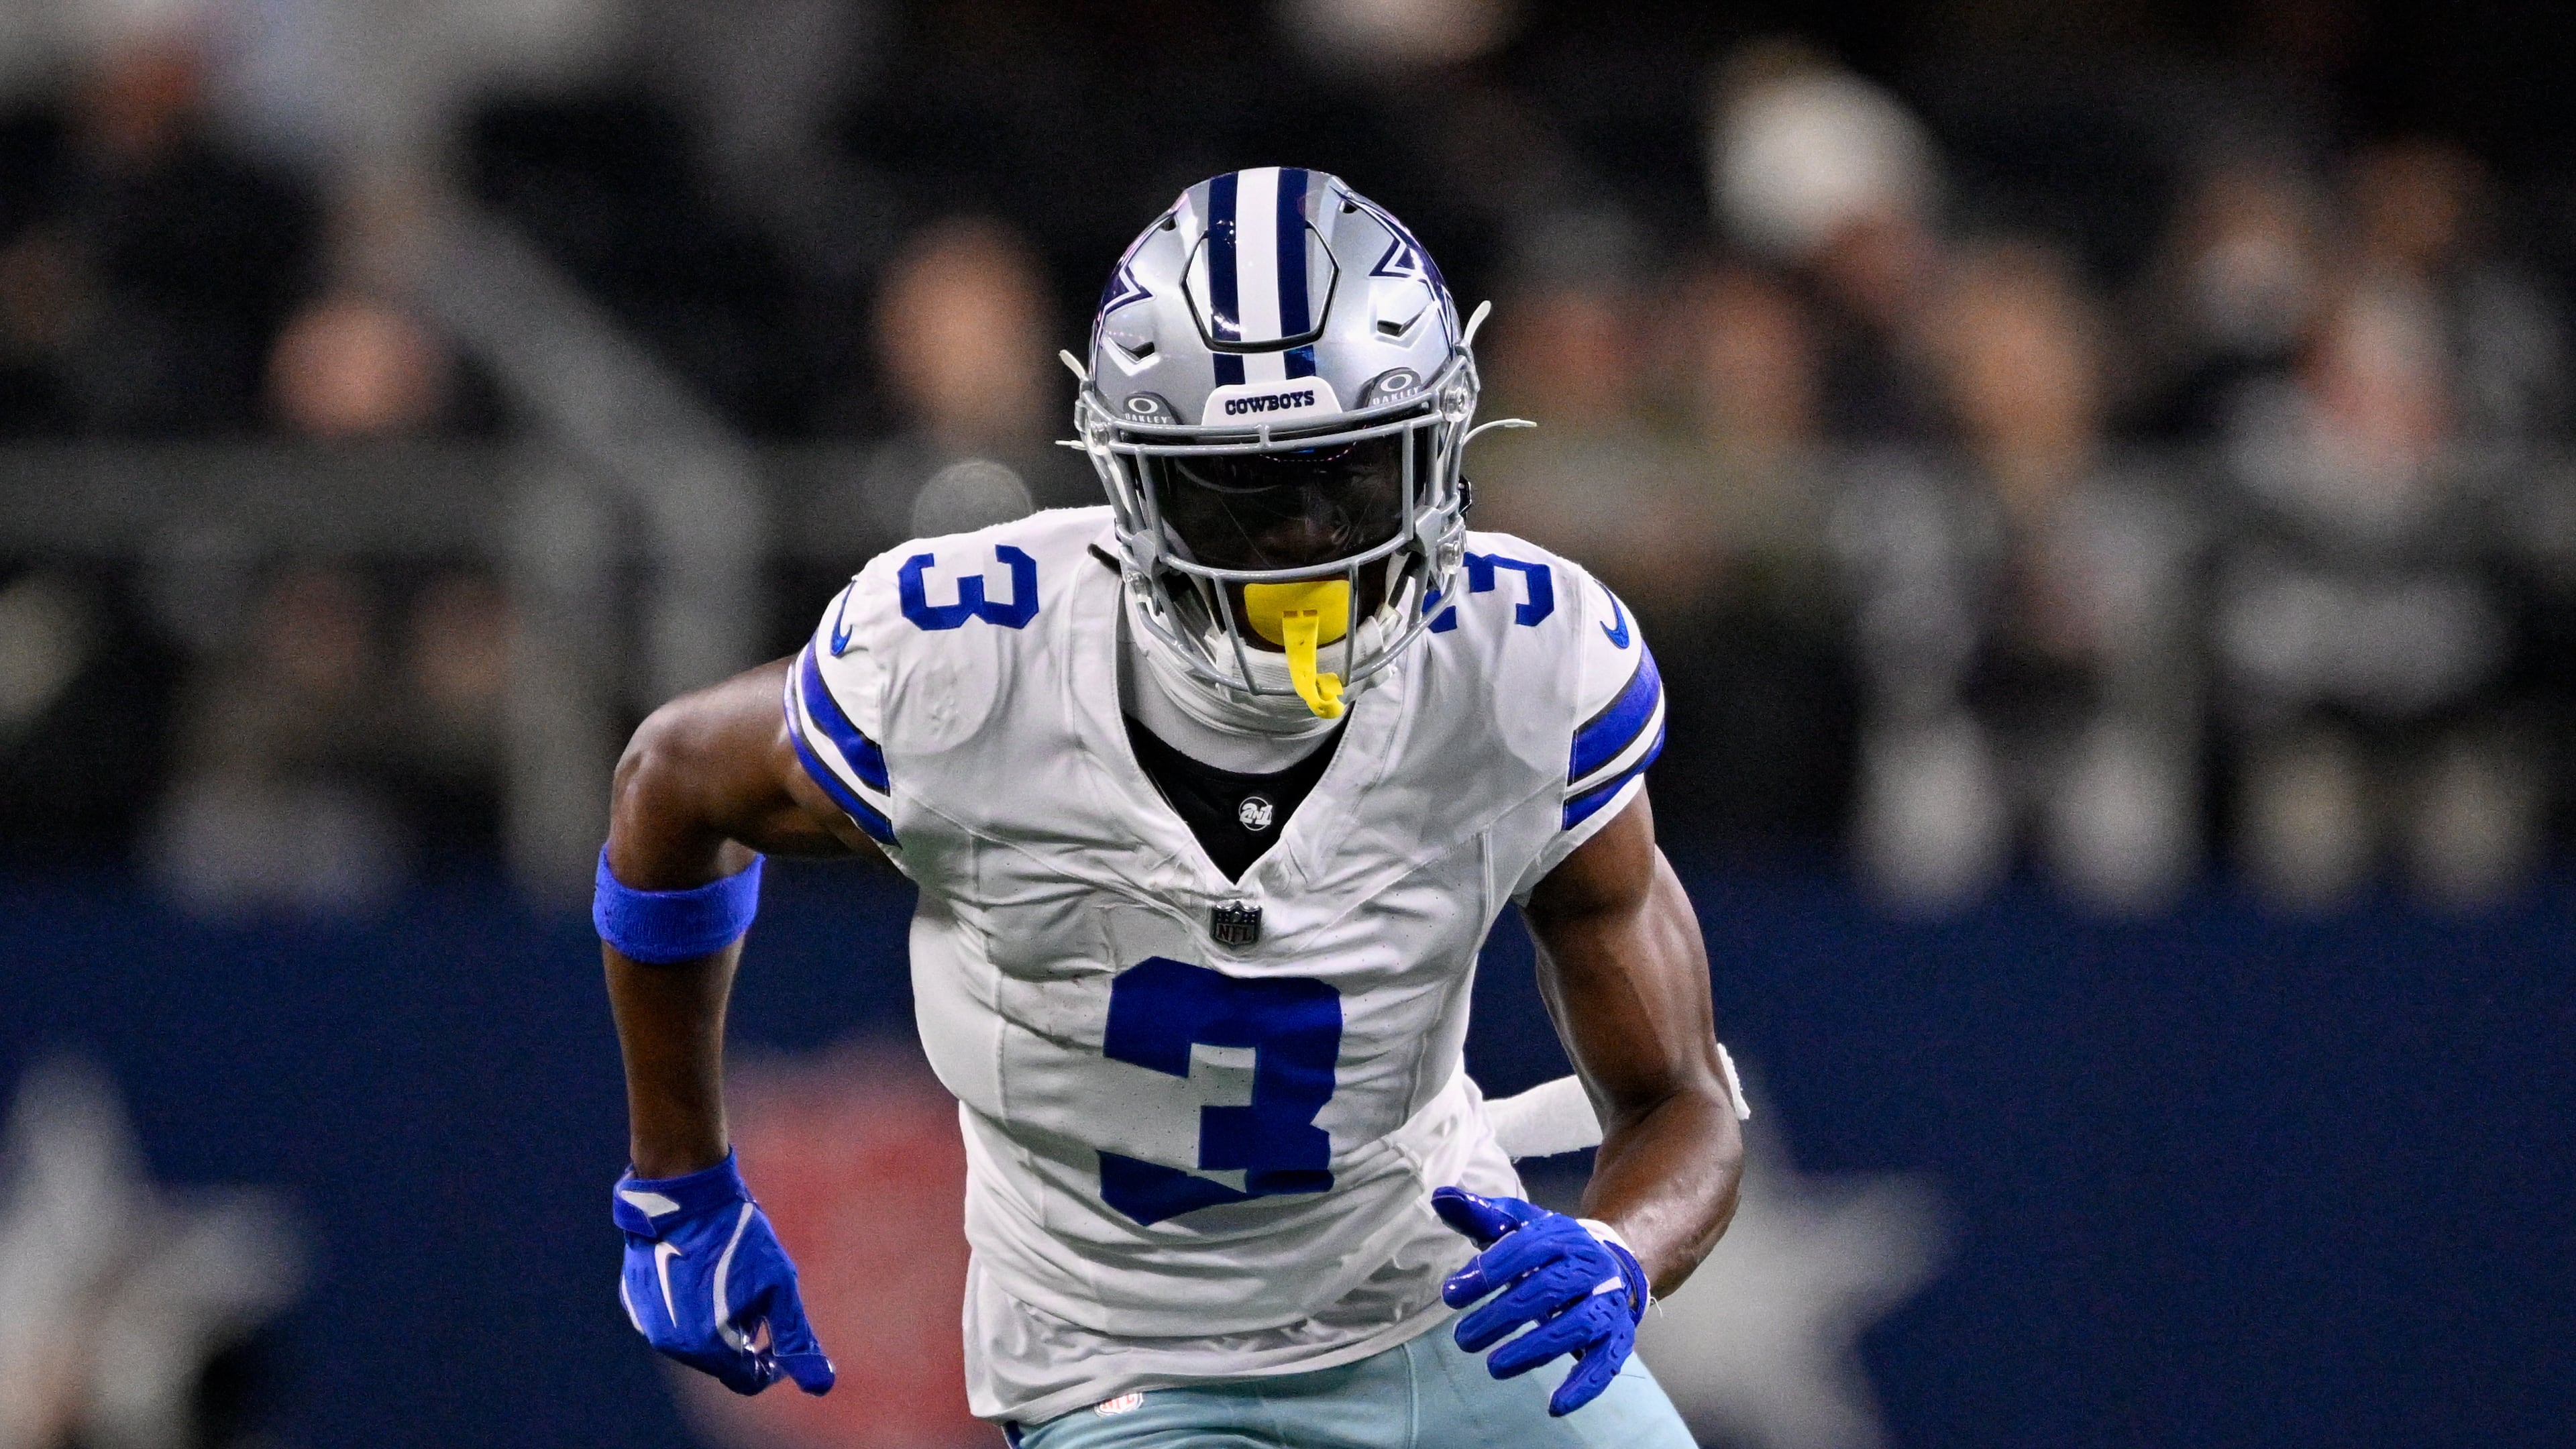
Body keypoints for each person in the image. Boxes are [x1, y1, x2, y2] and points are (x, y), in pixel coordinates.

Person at [596, 168, 1750, 1444]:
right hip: (1124, 1365)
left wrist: (1618, 1250)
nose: (1307, 545)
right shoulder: (971, 663)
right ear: (1131, 483)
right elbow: (671, 782)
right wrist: (680, 1186)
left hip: (1441, 1308)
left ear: (1441, 450)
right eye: (1244, 496)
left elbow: (1681, 1100)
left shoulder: (1523, 662)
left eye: (1349, 480)